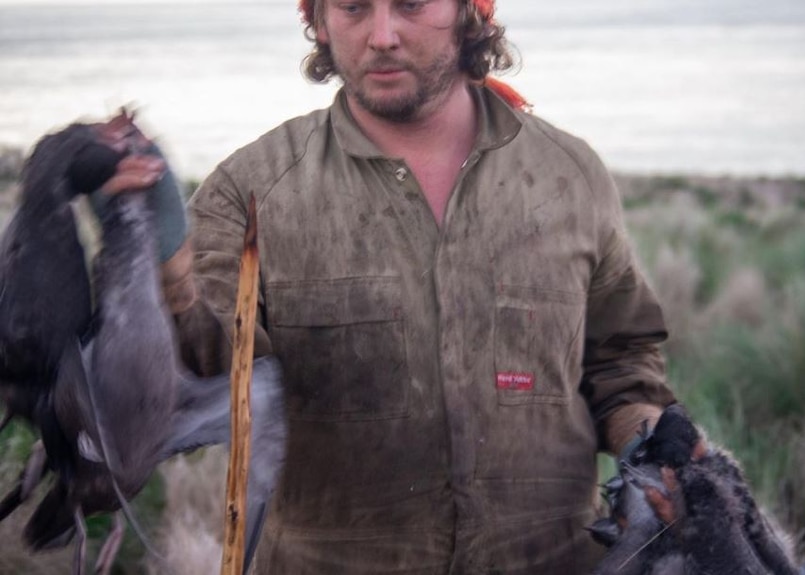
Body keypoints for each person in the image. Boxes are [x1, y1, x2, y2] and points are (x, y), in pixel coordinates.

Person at [107, 0, 675, 572]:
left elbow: (621, 361)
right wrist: (161, 265)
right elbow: (205, 374)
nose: (382, 35)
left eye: (410, 4)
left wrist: (656, 454)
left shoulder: (569, 175)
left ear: (466, 13)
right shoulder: (251, 192)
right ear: (320, 21)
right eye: (353, 7)